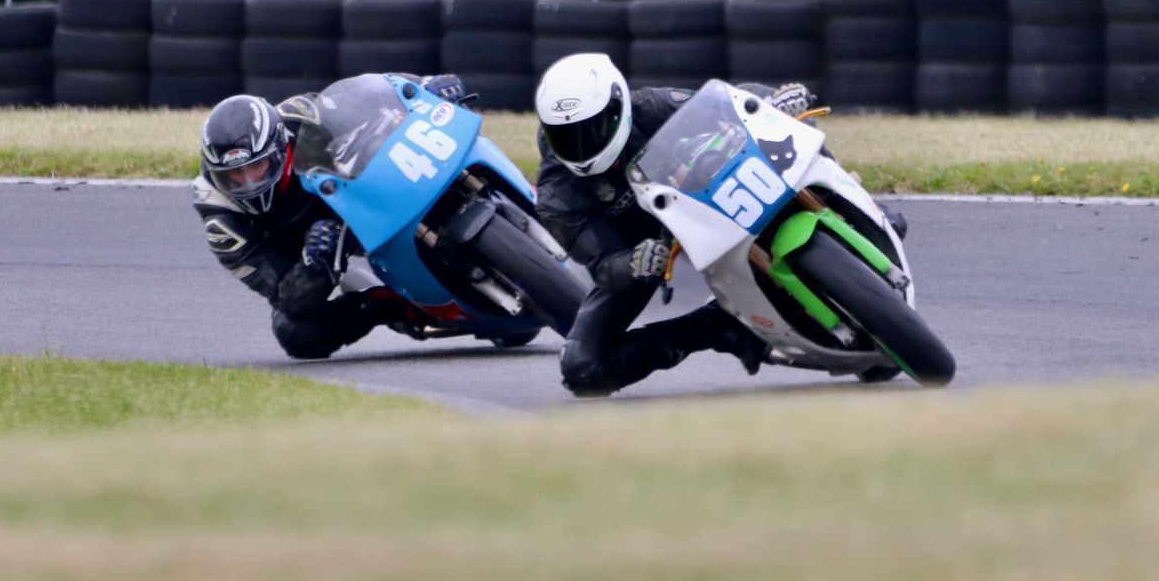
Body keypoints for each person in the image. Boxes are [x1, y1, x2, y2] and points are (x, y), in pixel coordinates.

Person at [532, 53, 822, 397]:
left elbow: (726, 104)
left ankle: (857, 214)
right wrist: (632, 265)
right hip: (642, 248)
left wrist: (772, 101)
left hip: (700, 194)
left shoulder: (651, 106)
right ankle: (716, 325)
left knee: (796, 129)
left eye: (594, 128)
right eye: (566, 136)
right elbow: (602, 264)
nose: (582, 145)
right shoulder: (555, 197)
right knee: (583, 368)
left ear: (618, 106)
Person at [193, 80, 464, 359]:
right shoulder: (221, 218)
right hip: (311, 245)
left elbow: (379, 94)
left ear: (278, 149)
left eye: (256, 166)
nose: (249, 182)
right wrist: (312, 265)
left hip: (355, 185)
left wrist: (423, 87)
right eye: (235, 175)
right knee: (293, 331)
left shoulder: (300, 115)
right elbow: (283, 294)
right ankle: (389, 304)